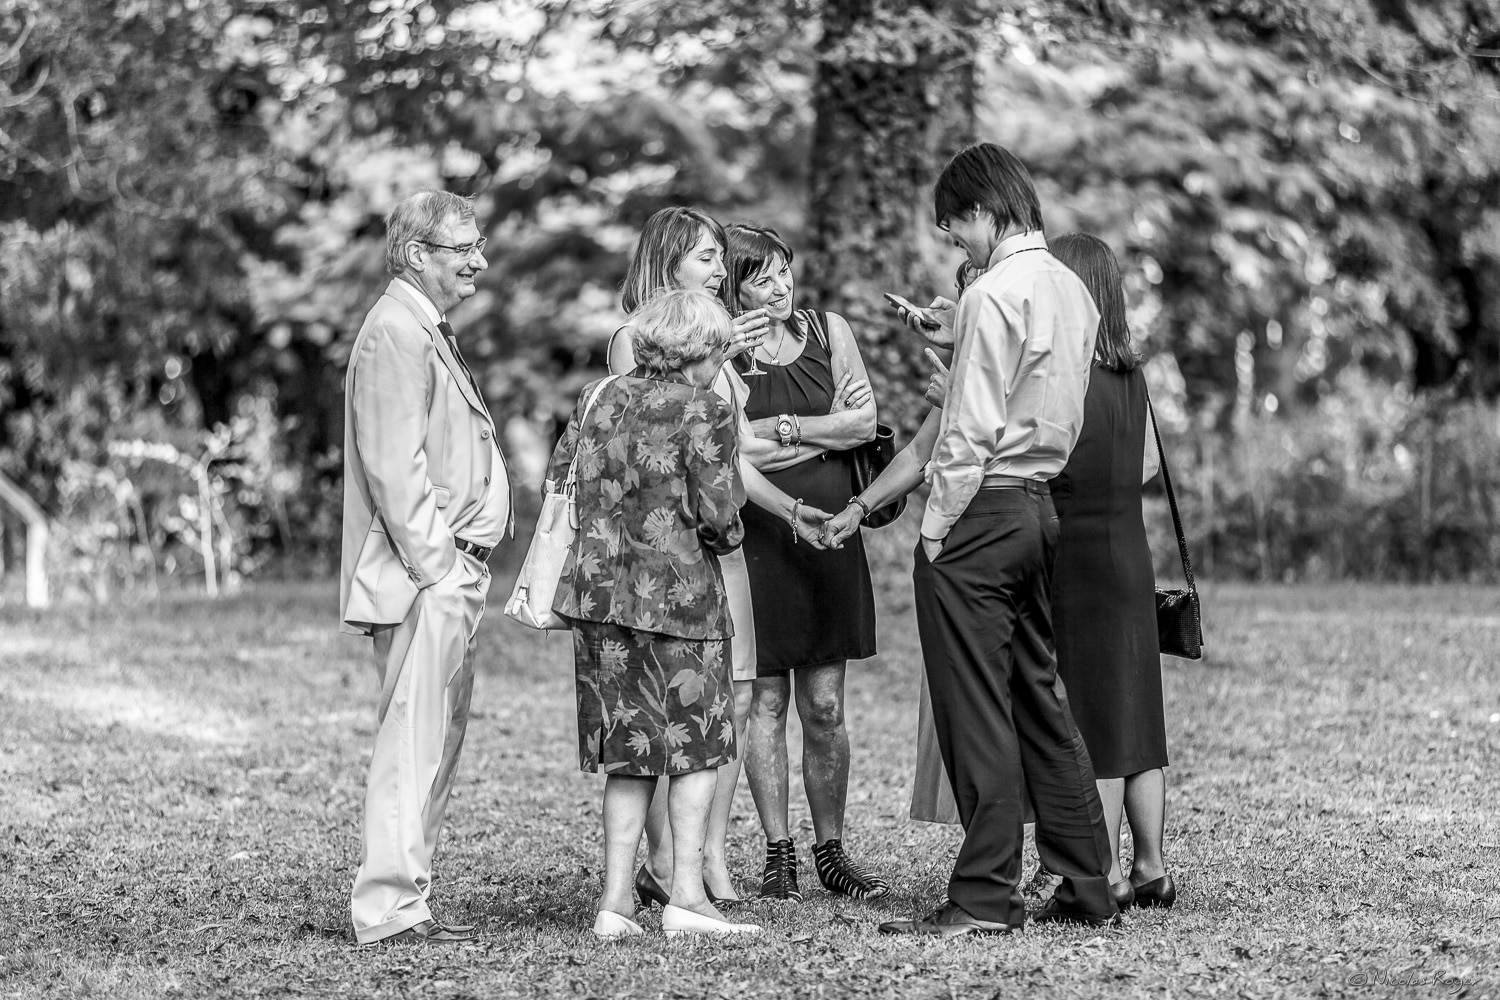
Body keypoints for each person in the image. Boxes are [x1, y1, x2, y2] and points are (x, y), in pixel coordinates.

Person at [825, 143, 1118, 936]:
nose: (959, 248)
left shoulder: (994, 294)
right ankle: (1088, 880)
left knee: (975, 706)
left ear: (984, 212)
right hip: (1038, 507)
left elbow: (968, 430)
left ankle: (986, 894)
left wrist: (935, 530)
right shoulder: (1071, 289)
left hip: (982, 510)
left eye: (957, 232)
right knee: (1039, 694)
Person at [609, 207, 832, 911]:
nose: (717, 268)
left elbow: (726, 458)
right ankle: (667, 859)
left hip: (722, 541)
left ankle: (705, 852)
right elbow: (662, 429)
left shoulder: (718, 344)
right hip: (664, 554)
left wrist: (793, 510)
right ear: (668, 261)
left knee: (734, 695)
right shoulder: (634, 339)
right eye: (705, 257)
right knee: (661, 707)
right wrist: (719, 354)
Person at [550, 289, 760, 938]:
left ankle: (615, 903)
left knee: (630, 750)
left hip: (599, 600)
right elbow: (721, 520)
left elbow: (561, 480)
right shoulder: (706, 410)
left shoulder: (598, 397)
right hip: (677, 602)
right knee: (695, 749)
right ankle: (687, 898)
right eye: (720, 348)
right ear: (702, 351)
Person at [340, 189, 511, 945]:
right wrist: (440, 570)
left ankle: (411, 900)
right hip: (423, 578)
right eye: (462, 247)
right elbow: (393, 466)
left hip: (448, 576)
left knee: (434, 742)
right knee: (412, 743)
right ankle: (387, 908)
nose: (477, 259)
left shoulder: (422, 327)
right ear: (417, 254)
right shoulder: (394, 332)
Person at [720, 223, 888, 902]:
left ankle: (831, 849)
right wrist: (818, 434)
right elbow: (732, 452)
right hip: (754, 536)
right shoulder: (726, 356)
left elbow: (865, 423)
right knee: (765, 698)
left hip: (830, 536)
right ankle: (777, 851)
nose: (781, 286)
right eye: (762, 278)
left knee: (824, 704)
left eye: (785, 271)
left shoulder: (830, 331)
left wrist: (779, 433)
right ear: (733, 289)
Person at [1047, 232, 1175, 910]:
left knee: (1093, 719)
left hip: (1078, 555)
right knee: (1138, 718)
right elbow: (1151, 465)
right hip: (1131, 551)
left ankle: (1103, 874)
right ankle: (1152, 866)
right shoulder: (1133, 370)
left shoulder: (1064, 374)